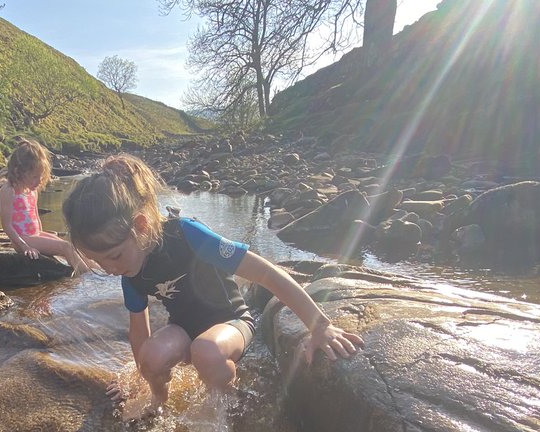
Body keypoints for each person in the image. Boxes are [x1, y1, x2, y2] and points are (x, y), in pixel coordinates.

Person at [61, 154, 364, 413]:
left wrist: (320, 326)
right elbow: (138, 332)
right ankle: (158, 402)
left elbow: (267, 274)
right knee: (150, 358)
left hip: (232, 322)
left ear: (140, 226)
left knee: (206, 352)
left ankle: (226, 404)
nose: (110, 270)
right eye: (99, 262)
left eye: (113, 256)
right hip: (184, 330)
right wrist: (143, 380)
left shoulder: (186, 235)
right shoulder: (129, 271)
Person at [0, 140, 90, 274]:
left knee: (72, 247)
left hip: (34, 236)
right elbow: (7, 226)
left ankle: (99, 271)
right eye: (35, 177)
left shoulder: (31, 191)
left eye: (41, 177)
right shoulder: (9, 191)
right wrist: (25, 246)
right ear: (18, 172)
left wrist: (43, 238)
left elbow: (35, 216)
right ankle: (89, 277)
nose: (39, 181)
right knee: (66, 247)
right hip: (22, 239)